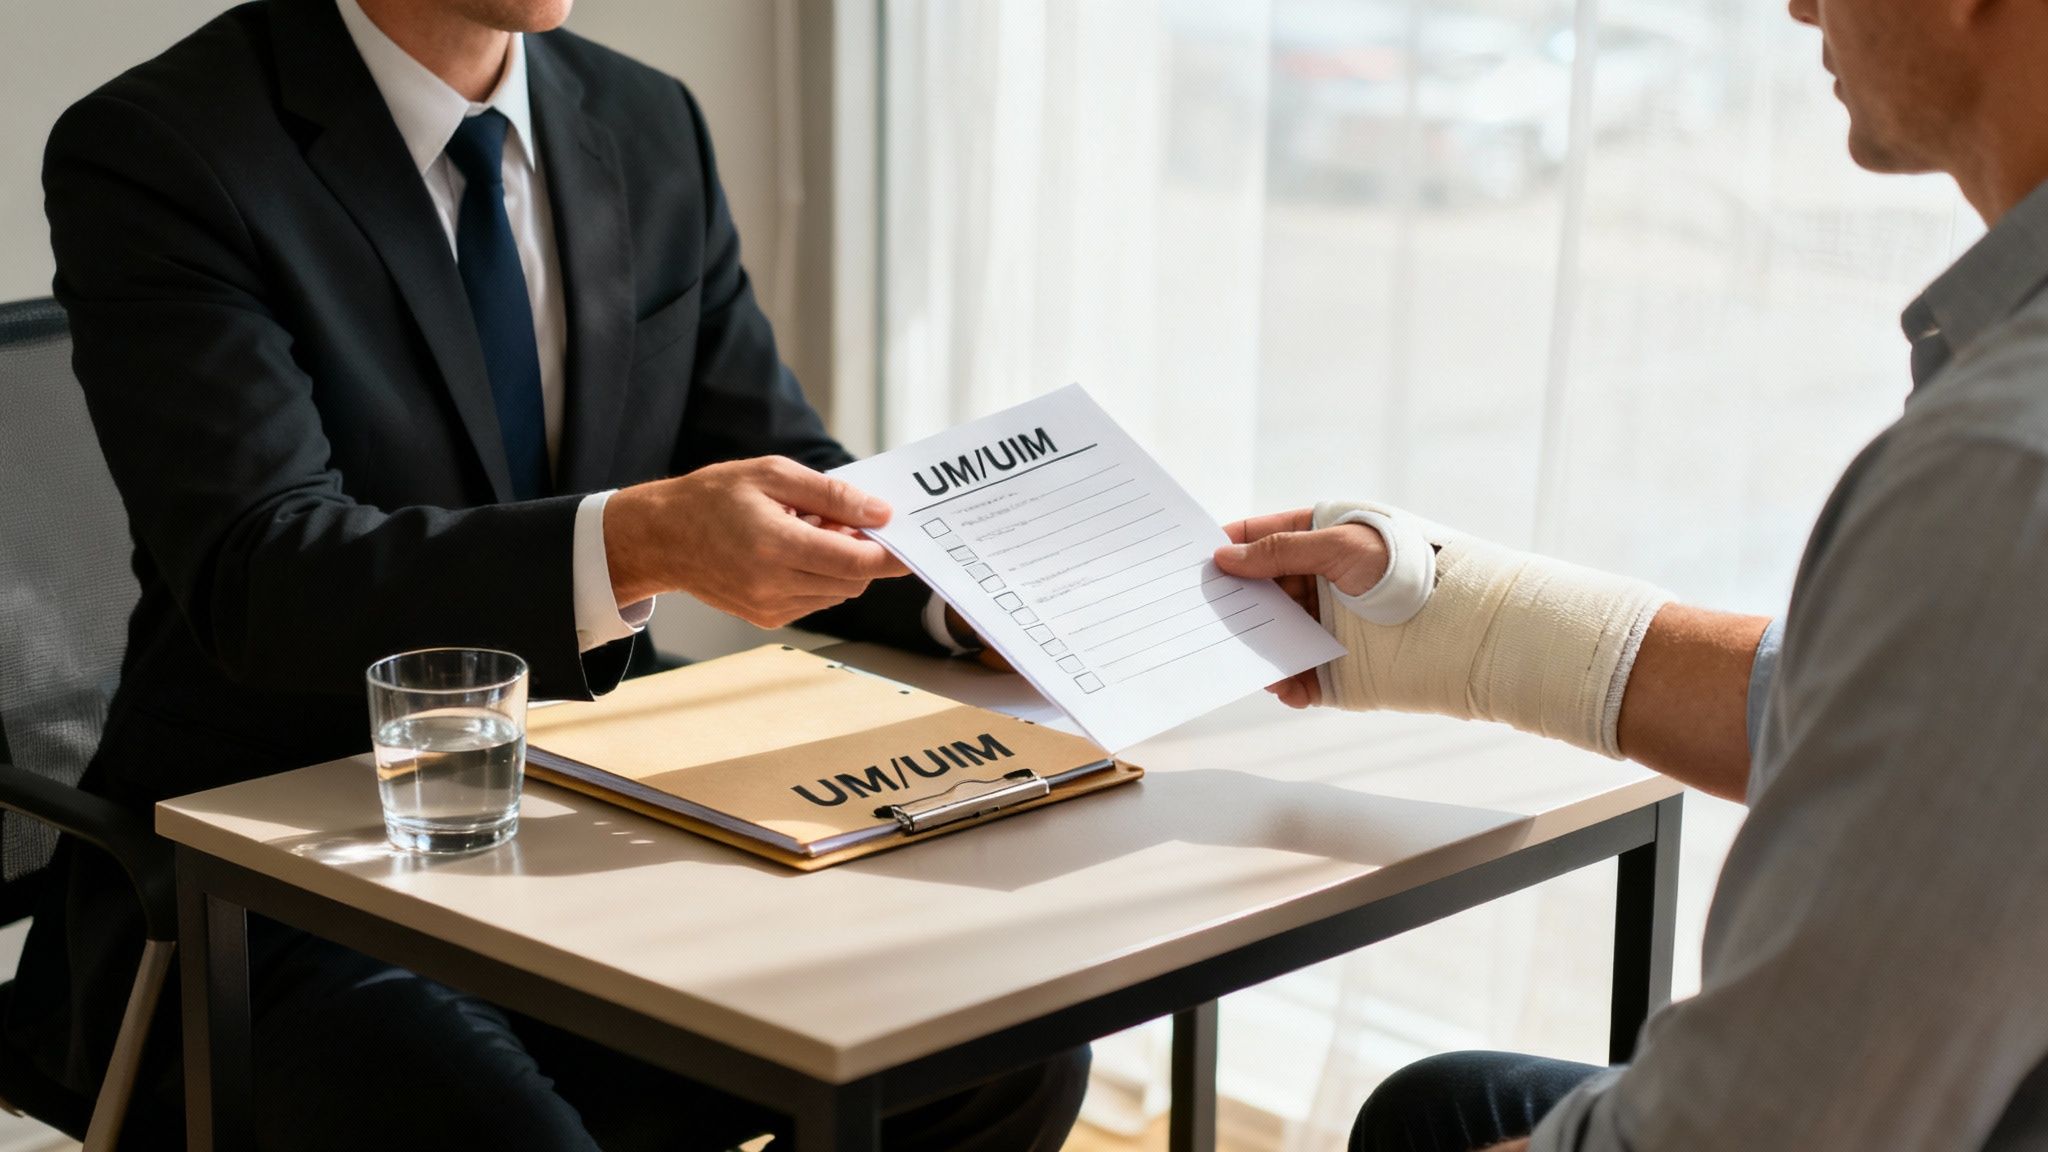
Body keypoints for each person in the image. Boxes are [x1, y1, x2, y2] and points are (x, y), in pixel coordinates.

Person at [10, 0, 1083, 1147]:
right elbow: (261, 571)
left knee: (1003, 1046)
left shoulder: (641, 118)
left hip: (611, 812)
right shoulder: (166, 145)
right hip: (278, 880)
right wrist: (637, 542)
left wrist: (954, 596)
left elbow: (775, 466)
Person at [1211, 0, 2048, 1145]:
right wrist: (1447, 615)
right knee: (1443, 1106)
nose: (1798, 4)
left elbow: (1755, 1131)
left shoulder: (2004, 472)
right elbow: (1923, 732)